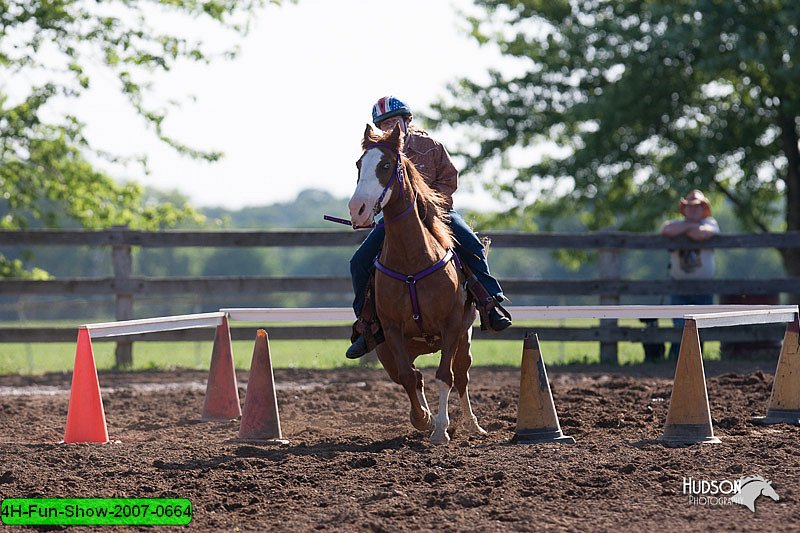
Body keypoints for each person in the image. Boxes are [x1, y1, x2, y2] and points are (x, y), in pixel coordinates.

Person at [346, 96, 512, 359]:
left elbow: (449, 178)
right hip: (396, 220)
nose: (389, 127)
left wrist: (432, 205)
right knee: (359, 263)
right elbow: (373, 186)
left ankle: (489, 303)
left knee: (471, 245)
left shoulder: (430, 146)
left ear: (406, 121)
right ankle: (367, 324)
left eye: (393, 121)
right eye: (383, 124)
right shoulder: (378, 153)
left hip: (438, 213)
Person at [661, 189, 720, 359]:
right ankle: (677, 359)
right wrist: (690, 226)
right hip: (679, 286)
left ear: (703, 209)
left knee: (700, 326)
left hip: (703, 287)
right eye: (690, 206)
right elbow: (667, 229)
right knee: (679, 325)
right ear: (684, 209)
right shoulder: (676, 223)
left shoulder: (711, 223)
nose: (693, 209)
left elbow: (702, 234)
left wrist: (685, 229)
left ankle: (695, 361)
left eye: (697, 206)